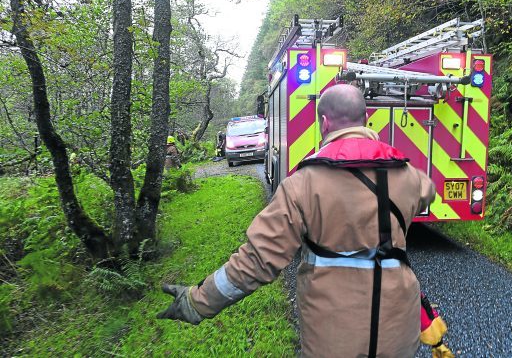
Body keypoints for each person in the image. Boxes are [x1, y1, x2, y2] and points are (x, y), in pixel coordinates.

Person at [157, 84, 436, 357]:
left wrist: (197, 301)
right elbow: (427, 193)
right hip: (399, 330)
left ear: (324, 124)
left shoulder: (301, 185)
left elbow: (258, 261)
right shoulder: (408, 176)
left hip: (334, 338)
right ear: (366, 119)